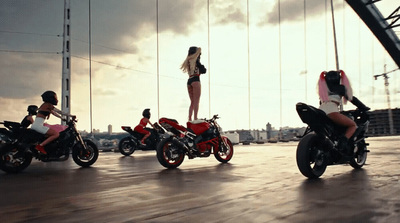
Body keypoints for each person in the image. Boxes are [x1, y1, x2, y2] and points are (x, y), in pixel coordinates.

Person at [318, 70, 369, 156]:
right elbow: (352, 98)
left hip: (320, 111)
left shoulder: (323, 89)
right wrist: (363, 107)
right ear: (338, 79)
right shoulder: (341, 88)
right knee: (353, 125)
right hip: (332, 111)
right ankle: (342, 144)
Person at [180, 46, 207, 121]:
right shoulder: (196, 61)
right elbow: (204, 70)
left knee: (192, 101)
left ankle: (189, 117)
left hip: (189, 80)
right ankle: (195, 118)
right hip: (196, 80)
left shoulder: (188, 61)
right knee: (196, 101)